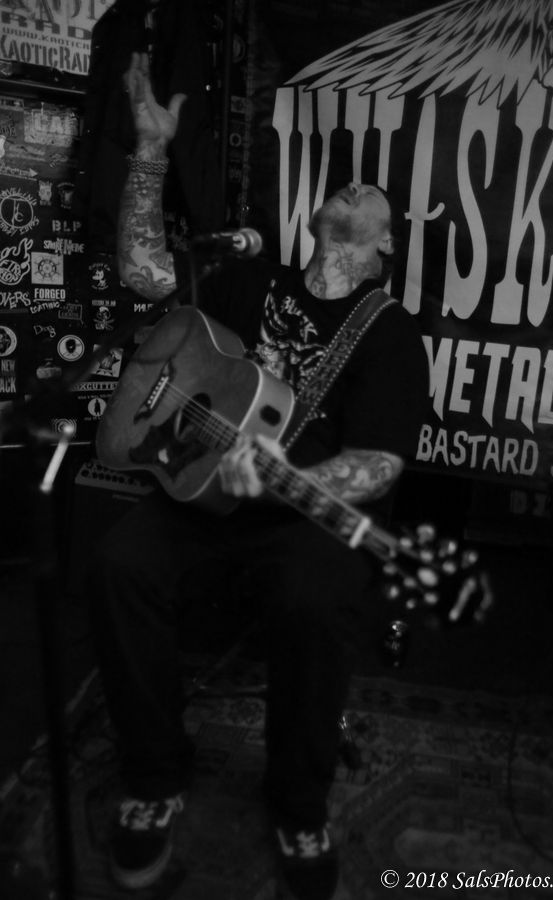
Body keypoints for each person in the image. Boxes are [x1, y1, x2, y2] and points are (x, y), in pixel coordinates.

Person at [89, 52, 430, 900]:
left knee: (316, 597)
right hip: (198, 488)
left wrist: (290, 476)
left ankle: (298, 801)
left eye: (373, 196)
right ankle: (154, 775)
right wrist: (150, 154)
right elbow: (142, 271)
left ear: (386, 242)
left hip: (300, 516)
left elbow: (382, 461)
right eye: (344, 185)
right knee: (119, 562)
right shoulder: (249, 279)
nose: (355, 186)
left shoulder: (390, 334)